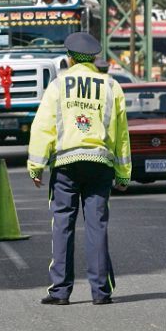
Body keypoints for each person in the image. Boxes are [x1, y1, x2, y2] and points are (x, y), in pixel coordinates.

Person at [27, 32, 131, 306]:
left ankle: (60, 291)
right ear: (95, 58)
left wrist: (36, 165)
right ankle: (101, 292)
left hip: (66, 165)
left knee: (63, 225)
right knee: (97, 226)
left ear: (69, 58)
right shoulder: (111, 86)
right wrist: (123, 173)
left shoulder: (59, 85)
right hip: (99, 164)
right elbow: (121, 135)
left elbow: (43, 126)